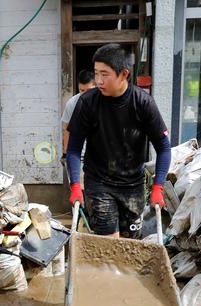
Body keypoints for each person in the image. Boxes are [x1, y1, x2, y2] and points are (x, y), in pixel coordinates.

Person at [66, 44, 171, 238]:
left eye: (104, 74)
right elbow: (73, 149)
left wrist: (158, 187)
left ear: (124, 74)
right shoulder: (87, 103)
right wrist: (74, 185)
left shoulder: (143, 103)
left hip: (133, 185)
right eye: (96, 73)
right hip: (99, 182)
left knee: (129, 245)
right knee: (110, 245)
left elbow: (163, 148)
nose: (98, 80)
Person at [61, 69, 96, 161]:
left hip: (99, 155)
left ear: (96, 86)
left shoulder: (104, 101)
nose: (85, 94)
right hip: (79, 154)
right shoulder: (72, 103)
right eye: (82, 90)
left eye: (89, 90)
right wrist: (65, 153)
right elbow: (67, 129)